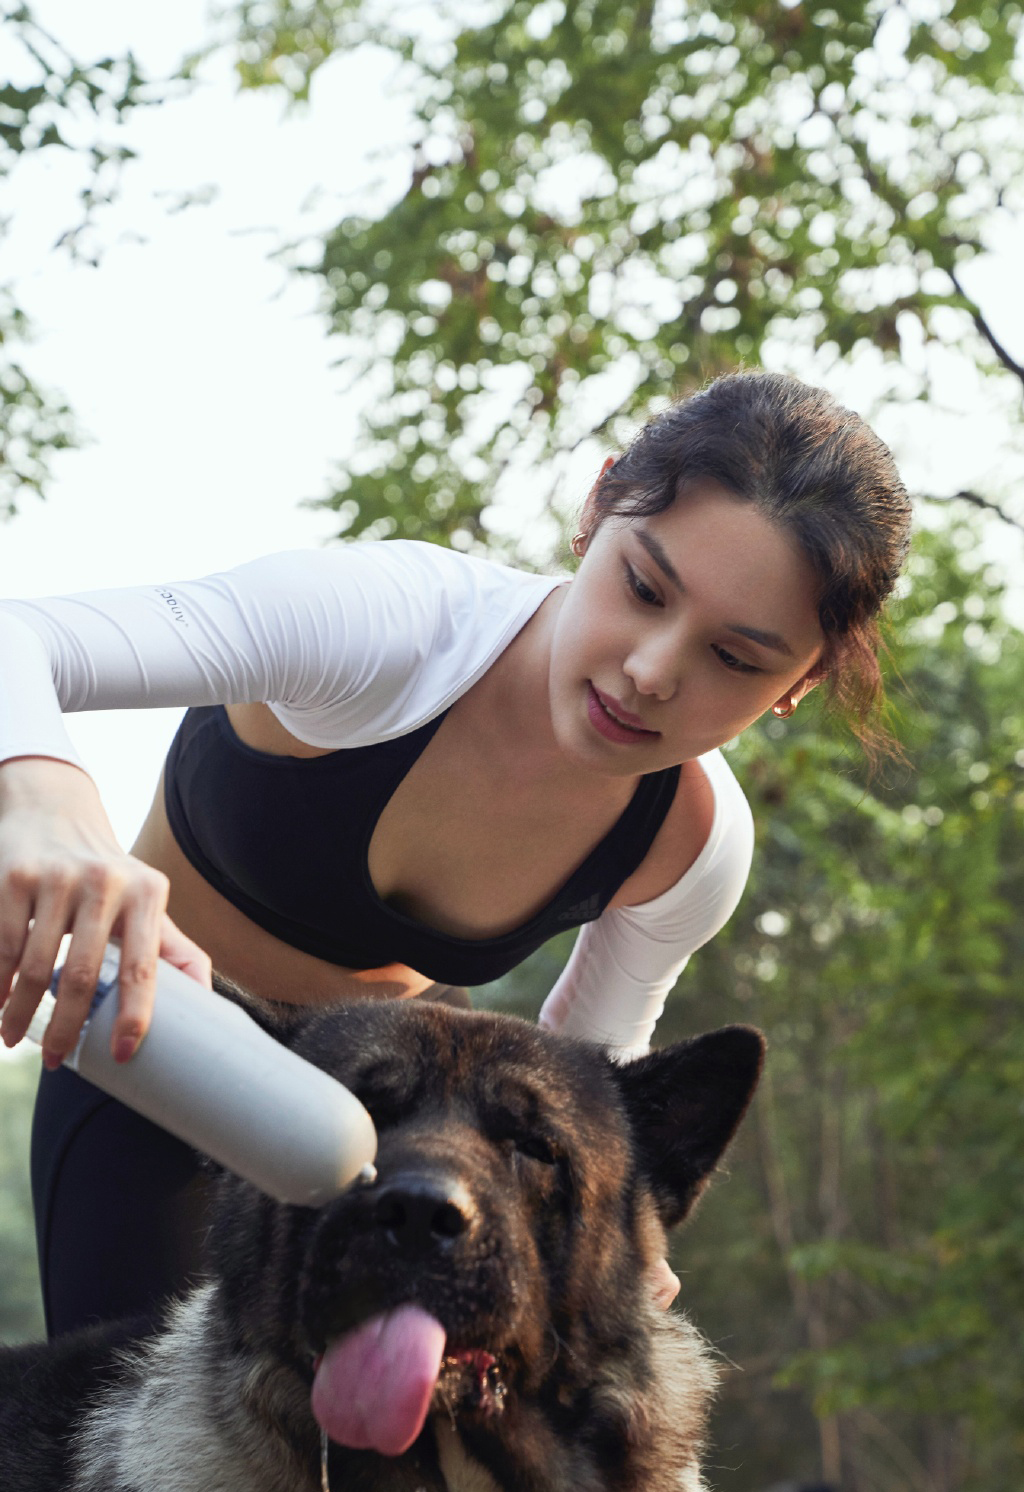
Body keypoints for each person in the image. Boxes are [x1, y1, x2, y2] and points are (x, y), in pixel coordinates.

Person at [0, 369, 911, 1337]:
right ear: (595, 507)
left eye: (733, 658)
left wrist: (616, 1227)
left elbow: (589, 1077)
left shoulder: (688, 848)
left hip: (408, 1139)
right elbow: (22, 637)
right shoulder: (386, 625)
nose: (650, 672)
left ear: (798, 684)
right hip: (156, 1055)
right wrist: (46, 800)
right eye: (642, 586)